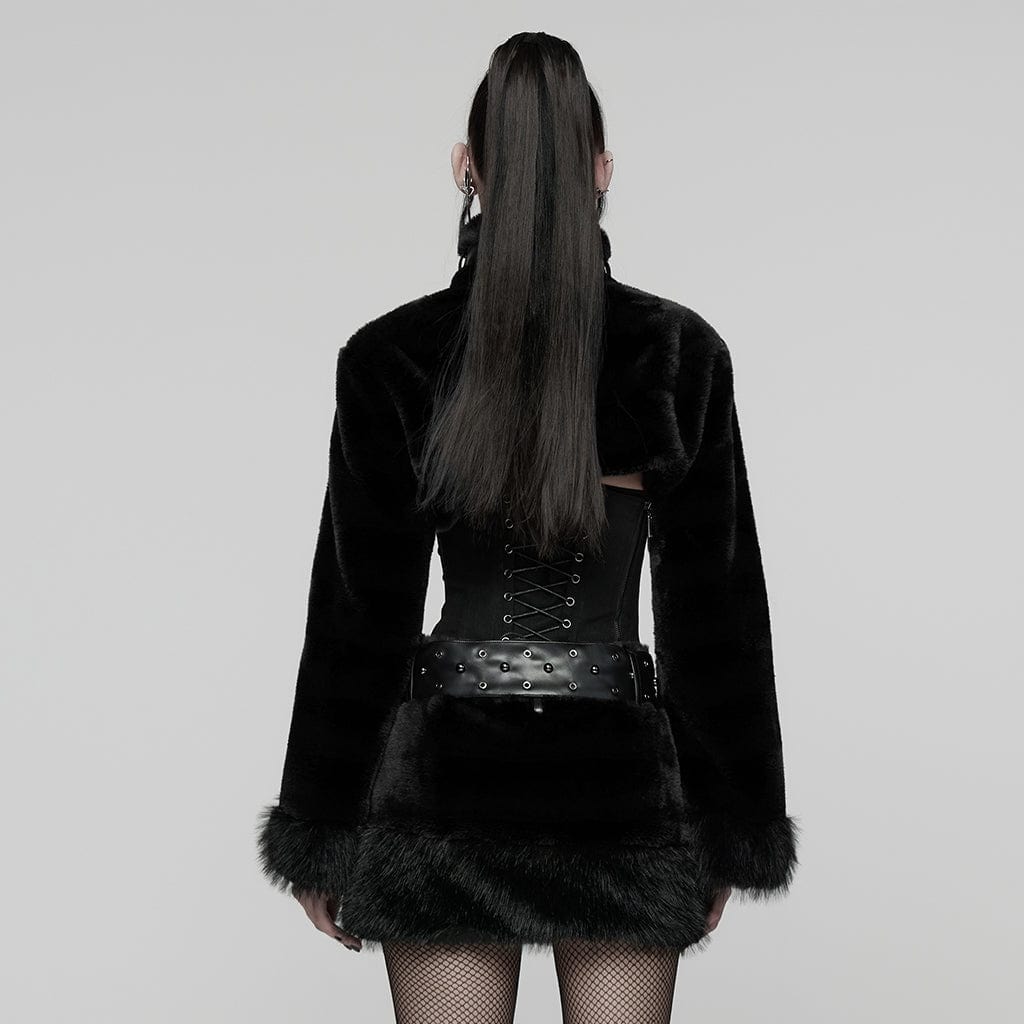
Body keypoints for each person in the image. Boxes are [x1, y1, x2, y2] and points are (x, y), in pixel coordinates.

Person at [256, 30, 799, 1024]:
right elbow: (715, 616)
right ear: (601, 171)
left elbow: (358, 618)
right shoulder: (678, 354)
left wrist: (323, 826)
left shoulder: (391, 359)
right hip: (617, 793)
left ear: (466, 167)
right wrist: (731, 823)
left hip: (446, 792)